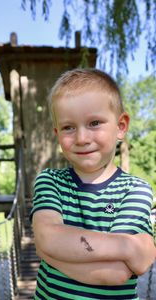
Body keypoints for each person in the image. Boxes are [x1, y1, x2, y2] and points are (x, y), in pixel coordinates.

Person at [30, 68, 156, 300]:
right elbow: (46, 239)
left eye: (94, 123)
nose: (81, 138)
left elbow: (116, 273)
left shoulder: (135, 189)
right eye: (68, 127)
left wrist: (52, 253)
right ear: (57, 134)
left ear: (121, 127)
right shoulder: (50, 181)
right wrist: (129, 247)